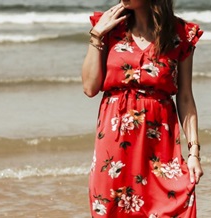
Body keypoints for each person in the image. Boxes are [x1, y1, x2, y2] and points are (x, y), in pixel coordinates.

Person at [81, 0, 203, 217]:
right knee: (111, 208)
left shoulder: (180, 34)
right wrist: (97, 35)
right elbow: (90, 88)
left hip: (160, 144)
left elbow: (185, 97)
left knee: (169, 203)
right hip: (114, 143)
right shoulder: (109, 27)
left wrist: (194, 152)